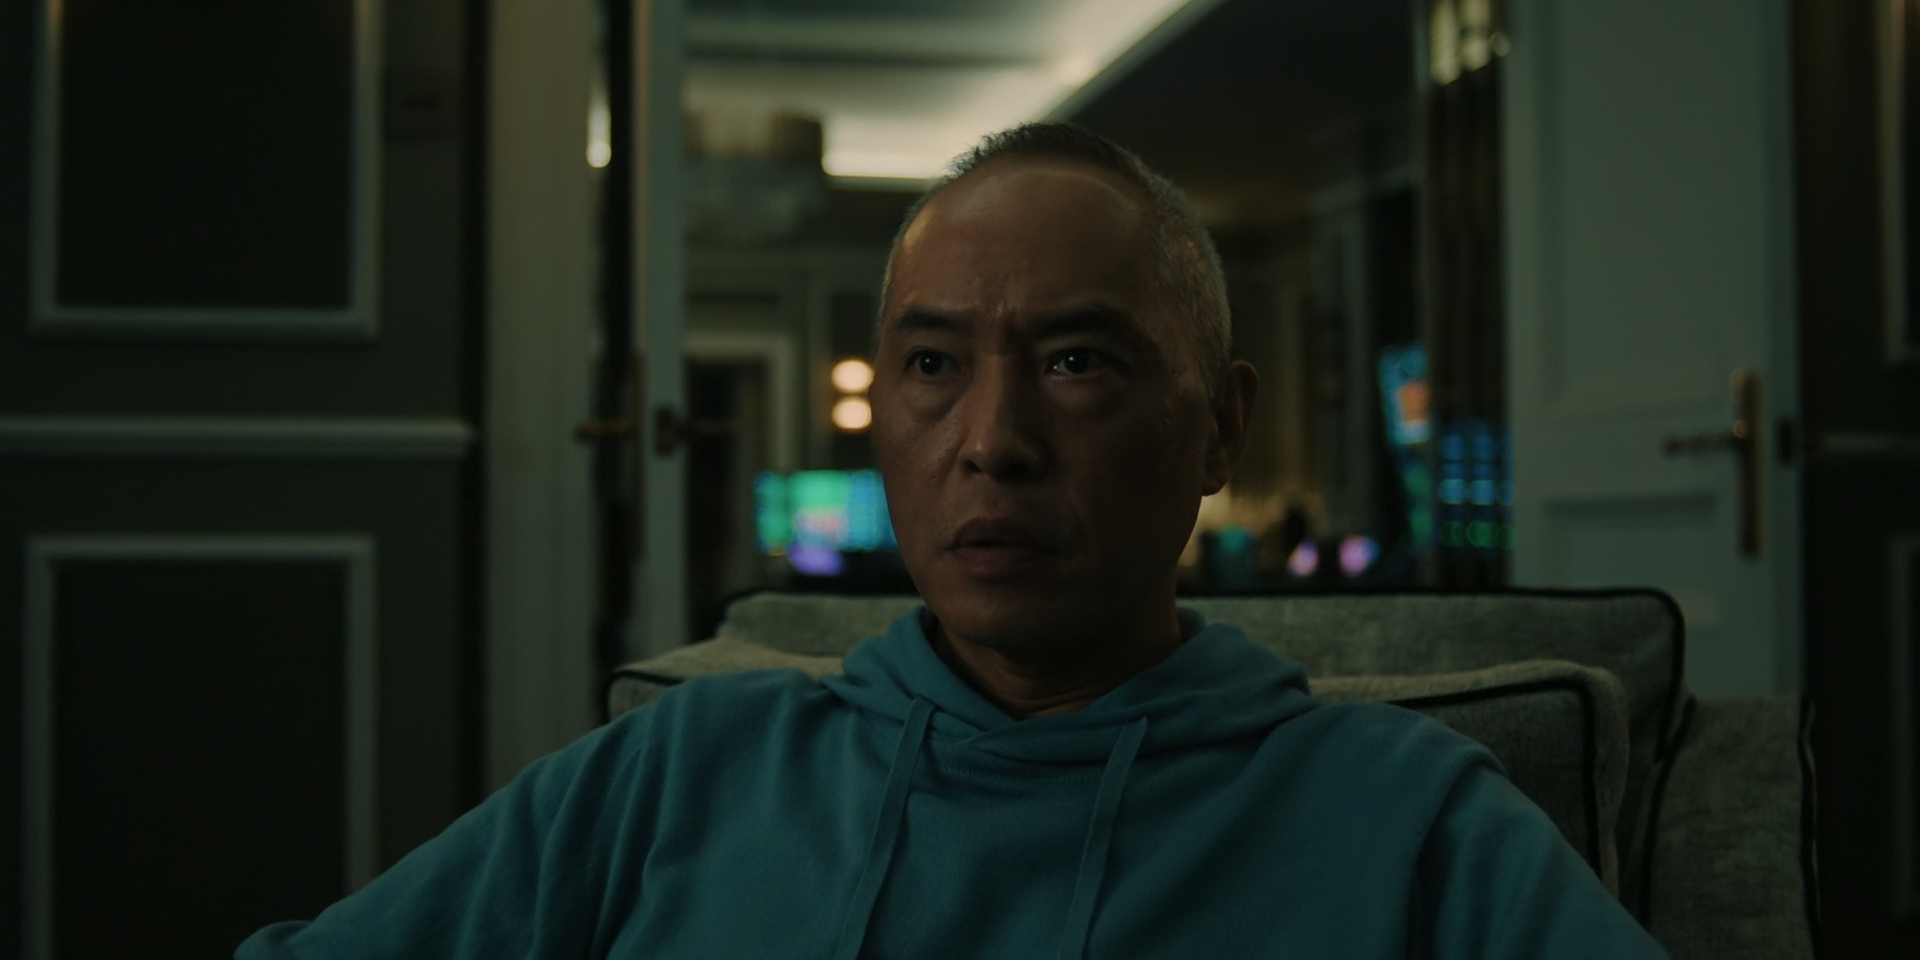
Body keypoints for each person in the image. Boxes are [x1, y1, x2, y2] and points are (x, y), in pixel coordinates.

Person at [238, 123, 1666, 958]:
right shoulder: (675, 772)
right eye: (931, 366)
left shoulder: (1408, 815)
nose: (991, 440)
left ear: (1221, 430)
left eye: (1076, 362)